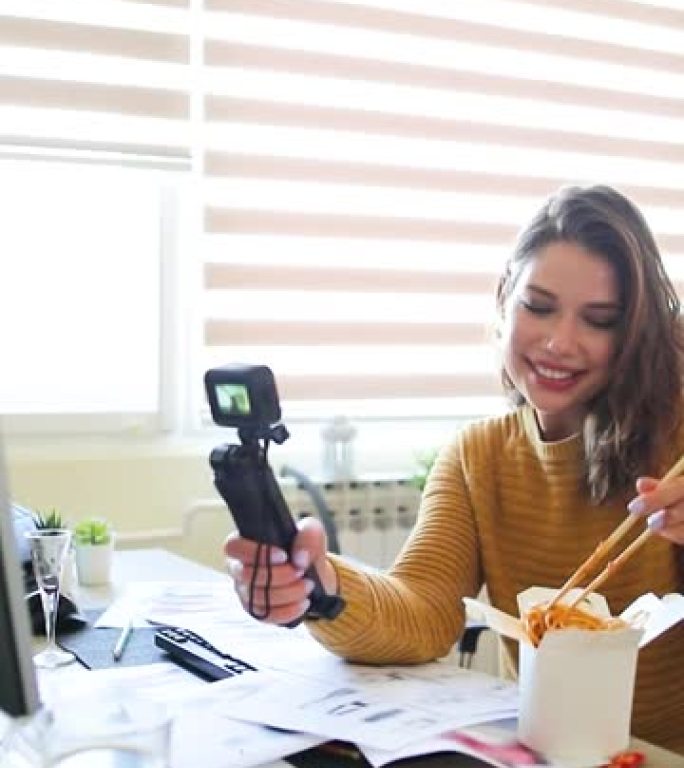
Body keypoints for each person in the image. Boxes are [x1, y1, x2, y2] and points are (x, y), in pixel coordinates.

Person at [224, 185, 684, 754]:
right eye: (538, 307)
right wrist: (323, 585)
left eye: (600, 320)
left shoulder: (675, 440)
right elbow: (424, 611)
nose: (559, 342)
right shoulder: (478, 456)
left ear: (634, 332)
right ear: (502, 298)